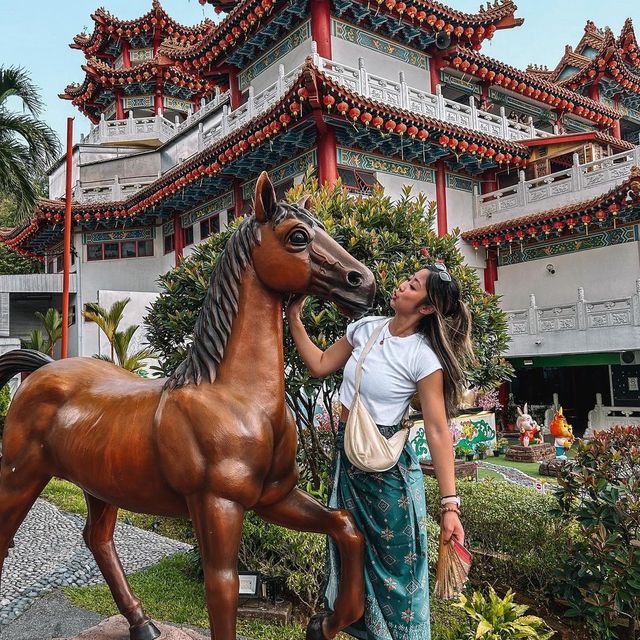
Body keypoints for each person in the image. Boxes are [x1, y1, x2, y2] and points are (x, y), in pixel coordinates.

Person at [287, 262, 473, 640]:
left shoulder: (423, 357)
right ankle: (341, 625)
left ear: (426, 309)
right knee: (349, 556)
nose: (403, 285)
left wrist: (450, 505)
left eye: (414, 286)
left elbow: (437, 430)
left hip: (388, 476)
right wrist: (293, 316)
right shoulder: (366, 329)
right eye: (408, 279)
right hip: (350, 463)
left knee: (396, 574)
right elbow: (321, 364)